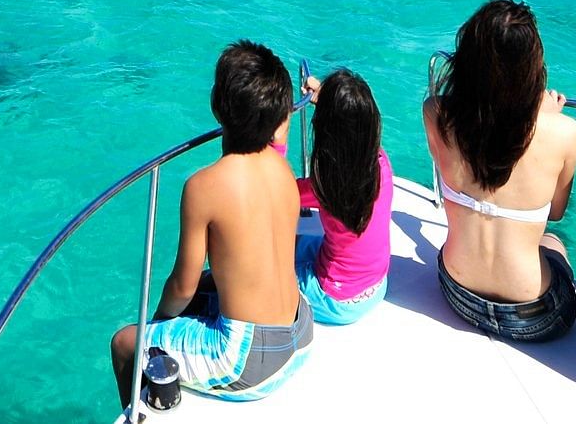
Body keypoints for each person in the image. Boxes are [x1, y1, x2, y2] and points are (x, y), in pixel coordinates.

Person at [110, 41, 314, 407]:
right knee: (210, 284)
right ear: (278, 117)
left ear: (217, 105)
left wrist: (156, 326)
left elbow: (182, 286)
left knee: (126, 343)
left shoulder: (203, 187)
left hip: (248, 362)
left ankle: (142, 412)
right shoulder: (282, 169)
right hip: (300, 328)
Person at [422, 0, 576, 342]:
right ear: (532, 69)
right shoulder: (564, 132)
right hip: (534, 315)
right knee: (553, 242)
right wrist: (545, 118)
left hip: (456, 291)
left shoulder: (436, 113)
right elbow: (554, 212)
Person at [293, 68, 393, 324]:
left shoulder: (324, 185)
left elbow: (279, 192)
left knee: (264, 268)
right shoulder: (380, 163)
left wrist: (276, 138)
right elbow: (350, 125)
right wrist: (325, 97)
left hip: (334, 299)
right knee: (297, 242)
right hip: (376, 285)